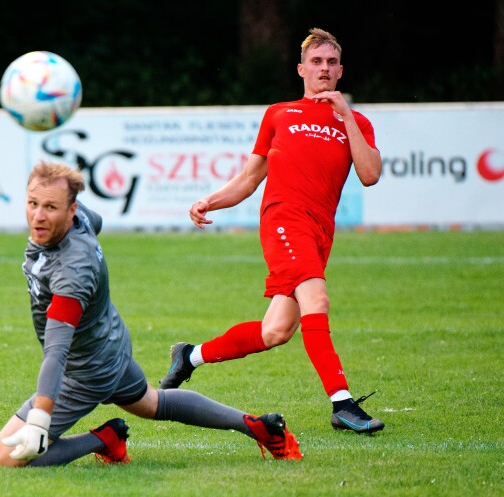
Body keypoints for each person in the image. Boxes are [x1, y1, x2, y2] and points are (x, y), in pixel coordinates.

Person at [0, 161, 302, 468]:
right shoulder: (80, 217)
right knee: (152, 403)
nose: (38, 216)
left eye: (50, 208)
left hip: (84, 370)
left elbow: (56, 351)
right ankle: (256, 427)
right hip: (110, 343)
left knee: (0, 458)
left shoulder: (73, 271)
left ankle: (105, 439)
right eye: (32, 203)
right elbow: (96, 221)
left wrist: (40, 421)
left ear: (70, 210)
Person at [159, 28, 385, 435]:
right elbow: (249, 179)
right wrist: (209, 201)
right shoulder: (280, 114)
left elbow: (370, 175)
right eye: (316, 62)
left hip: (319, 231)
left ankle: (189, 356)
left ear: (341, 71)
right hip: (284, 221)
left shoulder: (358, 123)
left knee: (276, 331)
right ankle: (342, 403)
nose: (324, 69)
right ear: (301, 69)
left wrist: (346, 114)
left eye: (331, 63)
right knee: (316, 296)